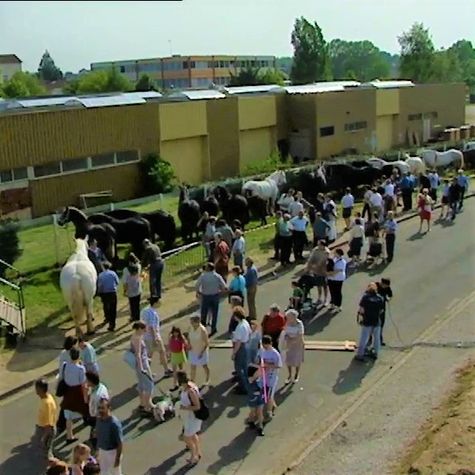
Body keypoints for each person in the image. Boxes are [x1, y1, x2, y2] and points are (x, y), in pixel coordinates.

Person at [61, 348, 89, 444]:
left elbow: (62, 376)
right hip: (77, 392)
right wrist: (86, 397)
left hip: (68, 391)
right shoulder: (80, 369)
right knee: (84, 409)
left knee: (68, 413)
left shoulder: (65, 365)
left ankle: (69, 435)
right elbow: (83, 384)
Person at [141, 296, 172, 378]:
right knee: (162, 351)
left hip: (146, 336)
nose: (160, 303)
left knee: (149, 355)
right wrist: (155, 338)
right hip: (153, 336)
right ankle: (166, 370)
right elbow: (152, 327)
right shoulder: (153, 313)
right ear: (155, 303)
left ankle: (145, 372)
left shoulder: (145, 310)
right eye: (159, 302)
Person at [354, 283, 385, 362]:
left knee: (364, 338)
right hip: (376, 321)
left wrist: (362, 316)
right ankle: (375, 353)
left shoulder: (365, 298)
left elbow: (361, 310)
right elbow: (381, 310)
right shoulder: (380, 298)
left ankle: (360, 355)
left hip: (367, 321)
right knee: (377, 338)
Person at [177, 371, 203, 466]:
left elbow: (197, 406)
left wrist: (183, 408)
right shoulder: (190, 386)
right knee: (193, 435)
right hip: (189, 417)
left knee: (187, 438)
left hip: (192, 417)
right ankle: (198, 452)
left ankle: (193, 457)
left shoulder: (190, 391)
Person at [130, 322, 156, 415]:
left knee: (141, 385)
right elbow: (138, 354)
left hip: (142, 363)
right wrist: (142, 368)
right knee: (149, 385)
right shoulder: (137, 339)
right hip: (142, 365)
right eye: (144, 329)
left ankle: (142, 404)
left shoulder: (136, 336)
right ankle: (147, 405)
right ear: (139, 329)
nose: (145, 331)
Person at [195, 262, 228, 336]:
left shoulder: (203, 276)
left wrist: (199, 292)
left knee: (204, 313)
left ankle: (202, 328)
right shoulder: (217, 276)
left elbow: (197, 285)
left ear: (208, 268)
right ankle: (213, 328)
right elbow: (224, 286)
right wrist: (220, 291)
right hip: (215, 296)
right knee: (214, 313)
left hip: (205, 296)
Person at [96, 398, 123, 475]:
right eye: (99, 408)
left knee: (115, 473)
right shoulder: (98, 420)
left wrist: (117, 459)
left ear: (109, 408)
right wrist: (98, 450)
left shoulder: (114, 423)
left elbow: (120, 443)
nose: (100, 410)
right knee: (103, 472)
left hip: (112, 453)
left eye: (103, 408)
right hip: (102, 451)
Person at [257, 335, 282, 419]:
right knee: (267, 395)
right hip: (264, 377)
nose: (265, 346)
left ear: (270, 343)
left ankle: (269, 412)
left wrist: (268, 365)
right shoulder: (262, 351)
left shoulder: (275, 354)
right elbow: (259, 360)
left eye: (266, 345)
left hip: (272, 378)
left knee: (269, 395)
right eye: (264, 345)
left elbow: (279, 365)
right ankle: (273, 406)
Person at [34, 378, 57, 463]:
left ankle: (50, 463)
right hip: (42, 427)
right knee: (43, 447)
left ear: (40, 389)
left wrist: (44, 437)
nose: (35, 390)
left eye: (36, 388)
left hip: (45, 430)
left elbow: (48, 424)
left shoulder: (47, 403)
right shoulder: (47, 397)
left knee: (46, 448)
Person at [86, 371, 109, 450]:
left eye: (87, 380)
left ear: (91, 382)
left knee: (95, 432)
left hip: (96, 416)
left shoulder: (97, 396)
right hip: (99, 415)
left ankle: (95, 447)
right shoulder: (102, 386)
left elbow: (93, 408)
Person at [232, 306, 251, 395]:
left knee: (239, 368)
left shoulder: (240, 326)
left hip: (241, 347)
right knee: (244, 367)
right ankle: (246, 384)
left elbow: (238, 342)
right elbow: (250, 333)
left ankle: (243, 387)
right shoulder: (246, 323)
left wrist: (234, 353)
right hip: (246, 345)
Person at [282, 309, 305, 384]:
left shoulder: (299, 323)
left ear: (294, 317)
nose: (288, 318)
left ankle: (296, 374)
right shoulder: (287, 323)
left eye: (289, 317)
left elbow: (300, 336)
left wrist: (292, 341)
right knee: (288, 360)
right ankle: (289, 375)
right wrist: (287, 339)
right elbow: (285, 333)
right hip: (289, 344)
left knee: (297, 360)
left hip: (298, 344)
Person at [305, 240, 330, 305]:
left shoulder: (326, 252)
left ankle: (326, 299)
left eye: (319, 244)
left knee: (325, 286)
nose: (318, 246)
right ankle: (319, 298)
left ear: (323, 245)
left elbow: (324, 261)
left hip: (323, 271)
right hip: (316, 271)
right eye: (318, 244)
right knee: (318, 285)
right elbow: (311, 259)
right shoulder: (315, 250)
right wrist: (308, 267)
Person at [187, 315, 210, 386]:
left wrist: (202, 352)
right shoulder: (190, 328)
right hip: (193, 350)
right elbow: (188, 337)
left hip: (201, 351)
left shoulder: (202, 330)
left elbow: (206, 343)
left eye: (192, 322)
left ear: (197, 322)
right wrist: (189, 345)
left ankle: (207, 378)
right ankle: (192, 381)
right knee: (193, 366)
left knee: (204, 366)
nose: (191, 324)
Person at [97, 261, 119, 331]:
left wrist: (99, 292)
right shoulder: (113, 273)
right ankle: (113, 323)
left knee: (106, 306)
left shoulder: (100, 275)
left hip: (105, 293)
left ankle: (107, 318)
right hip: (113, 292)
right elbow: (117, 282)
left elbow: (100, 286)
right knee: (113, 308)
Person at [246, 364, 265, 436]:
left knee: (260, 412)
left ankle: (260, 427)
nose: (259, 372)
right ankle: (251, 421)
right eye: (258, 371)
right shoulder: (249, 381)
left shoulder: (260, 378)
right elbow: (249, 390)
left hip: (260, 398)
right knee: (253, 412)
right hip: (252, 399)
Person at [122, 253, 142, 322]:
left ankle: (133, 317)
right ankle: (138, 317)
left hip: (130, 290)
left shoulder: (126, 270)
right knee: (137, 304)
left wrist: (125, 291)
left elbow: (125, 282)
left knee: (132, 305)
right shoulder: (139, 266)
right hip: (138, 288)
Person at [168, 326, 188, 391]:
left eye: (177, 332)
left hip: (180, 354)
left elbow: (185, 344)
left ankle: (182, 382)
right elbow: (169, 345)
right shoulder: (171, 337)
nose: (175, 334)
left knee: (181, 370)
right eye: (174, 332)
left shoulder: (181, 338)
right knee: (174, 371)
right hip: (174, 354)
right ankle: (175, 384)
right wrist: (169, 352)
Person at [376, 278, 393, 346]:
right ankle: (370, 338)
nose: (386, 287)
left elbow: (390, 295)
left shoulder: (387, 288)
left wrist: (388, 298)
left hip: (382, 308)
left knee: (381, 325)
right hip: (374, 308)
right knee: (372, 324)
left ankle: (380, 340)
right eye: (386, 286)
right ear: (382, 284)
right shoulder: (375, 286)